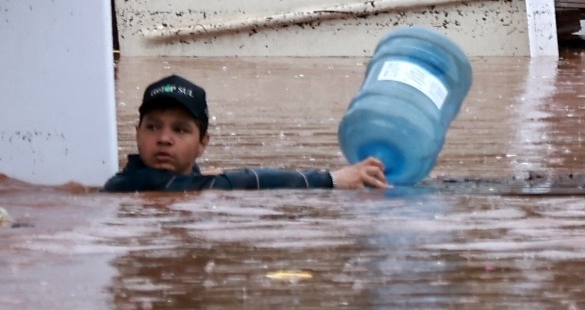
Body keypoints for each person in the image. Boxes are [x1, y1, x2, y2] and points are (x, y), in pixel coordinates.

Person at [103, 75, 387, 192]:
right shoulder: (134, 183)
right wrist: (332, 179)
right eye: (152, 127)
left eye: (180, 129)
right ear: (137, 133)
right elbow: (245, 181)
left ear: (203, 144)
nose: (164, 138)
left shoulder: (179, 184)